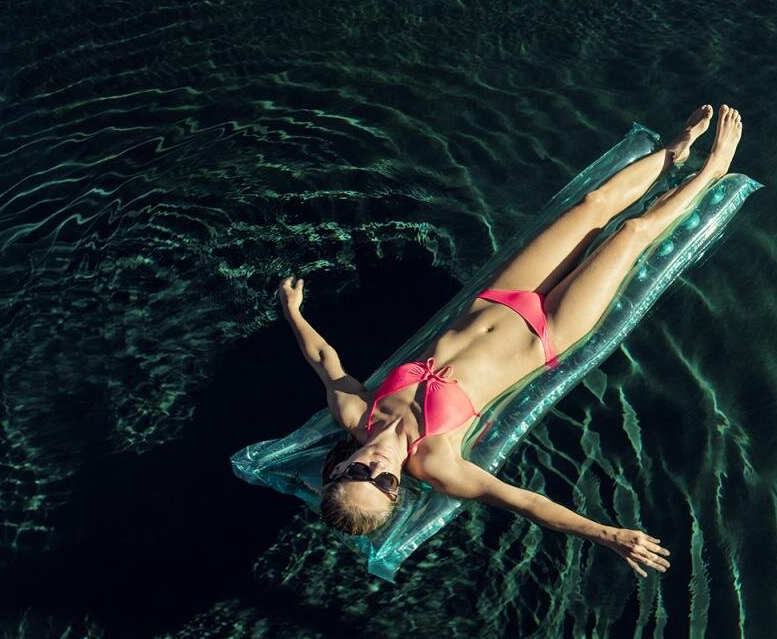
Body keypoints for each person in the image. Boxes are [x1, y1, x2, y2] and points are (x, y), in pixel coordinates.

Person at [277, 105, 745, 577]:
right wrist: (609, 535)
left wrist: (293, 312)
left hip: (501, 297)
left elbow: (322, 357)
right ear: (396, 490)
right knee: (631, 233)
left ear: (338, 469)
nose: (375, 468)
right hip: (550, 330)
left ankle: (673, 153)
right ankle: (713, 170)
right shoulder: (440, 466)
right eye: (383, 483)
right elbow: (528, 503)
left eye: (359, 473)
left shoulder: (356, 413)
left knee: (592, 206)